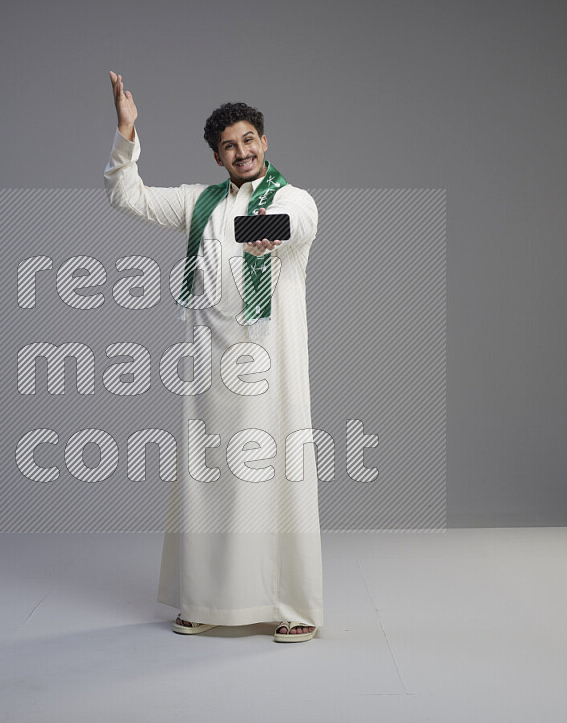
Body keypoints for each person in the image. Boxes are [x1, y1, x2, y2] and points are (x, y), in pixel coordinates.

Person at [104, 71, 323, 642]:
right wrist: (127, 132)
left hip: (271, 368)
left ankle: (293, 606)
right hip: (209, 368)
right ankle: (205, 601)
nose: (242, 151)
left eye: (250, 139)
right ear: (217, 156)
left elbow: (296, 227)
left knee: (276, 477)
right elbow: (128, 196)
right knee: (210, 480)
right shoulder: (198, 204)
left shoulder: (293, 198)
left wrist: (263, 232)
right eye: (230, 145)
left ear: (264, 143)